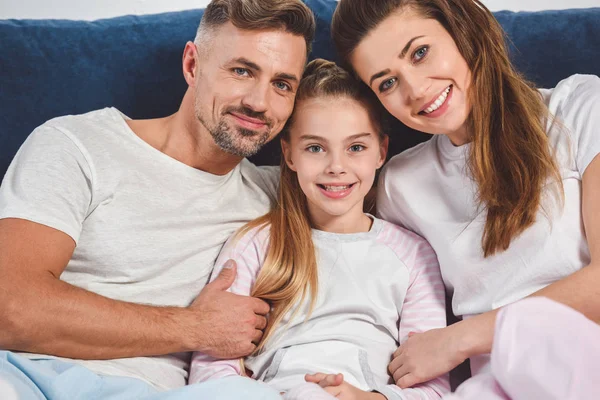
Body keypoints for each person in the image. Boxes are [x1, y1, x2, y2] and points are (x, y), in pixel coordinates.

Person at [0, 0, 314, 398]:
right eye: (241, 71)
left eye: (282, 84)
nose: (258, 102)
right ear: (192, 65)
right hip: (30, 375)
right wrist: (197, 328)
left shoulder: (286, 194)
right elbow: (9, 306)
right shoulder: (77, 144)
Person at [331, 0, 600, 396]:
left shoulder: (578, 106)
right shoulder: (398, 185)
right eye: (387, 82)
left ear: (462, 29)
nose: (417, 90)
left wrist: (458, 340)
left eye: (420, 53)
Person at [189, 59, 451, 400]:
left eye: (356, 148)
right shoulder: (256, 244)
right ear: (290, 154)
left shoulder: (413, 254)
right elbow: (212, 363)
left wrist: (370, 398)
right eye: (315, 148)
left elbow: (432, 384)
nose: (336, 167)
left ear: (380, 152)